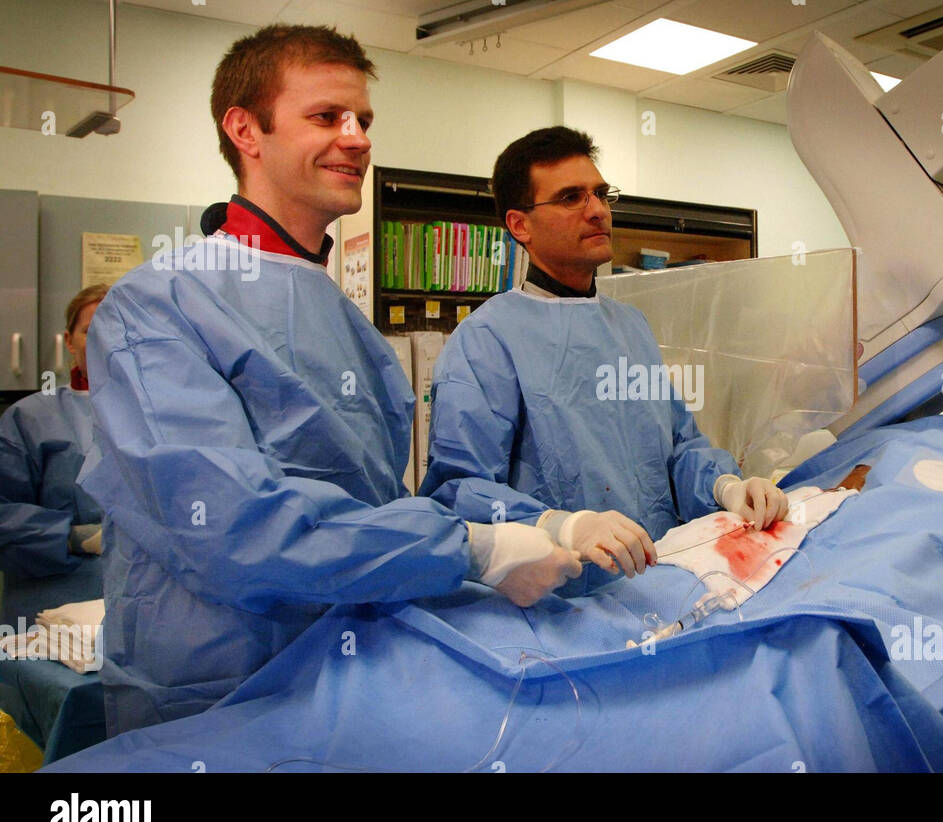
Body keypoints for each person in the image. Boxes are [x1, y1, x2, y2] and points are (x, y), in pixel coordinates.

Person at [79, 26, 579, 736]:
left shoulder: (350, 330)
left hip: (357, 678)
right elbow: (234, 529)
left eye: (364, 120)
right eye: (326, 117)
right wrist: (472, 548)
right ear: (245, 129)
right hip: (215, 701)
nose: (356, 138)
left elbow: (376, 509)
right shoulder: (156, 305)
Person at [419, 126, 787, 591]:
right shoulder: (486, 340)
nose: (596, 211)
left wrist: (728, 488)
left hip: (662, 582)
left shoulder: (630, 327)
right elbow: (459, 491)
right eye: (571, 197)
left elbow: (677, 449)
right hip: (559, 602)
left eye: (600, 193)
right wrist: (563, 526)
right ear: (520, 225)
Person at [0, 285, 109, 628]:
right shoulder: (29, 418)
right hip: (52, 603)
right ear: (69, 340)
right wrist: (74, 538)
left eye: (119, 326)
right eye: (92, 331)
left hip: (144, 600)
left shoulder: (164, 413)